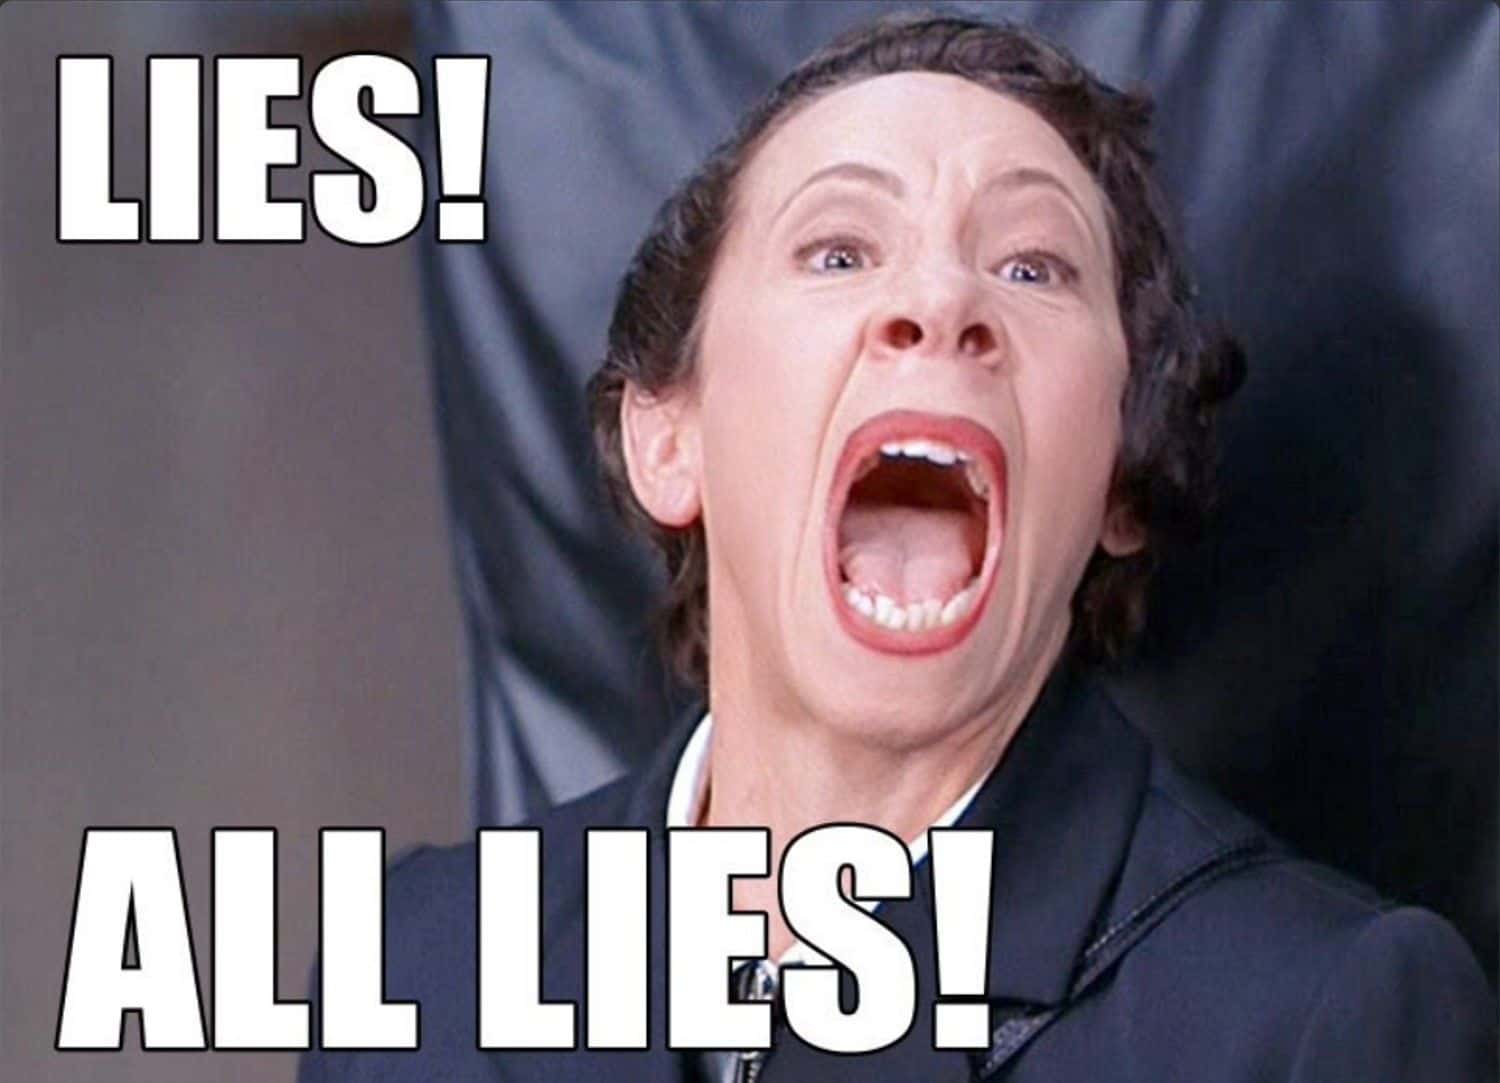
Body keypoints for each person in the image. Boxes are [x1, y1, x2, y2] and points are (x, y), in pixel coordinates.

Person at [301, 14, 1496, 1082]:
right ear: (669, 441)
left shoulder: (1319, 1020)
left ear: (1122, 479)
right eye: (840, 250)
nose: (940, 300)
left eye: (1032, 266)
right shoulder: (416, 961)